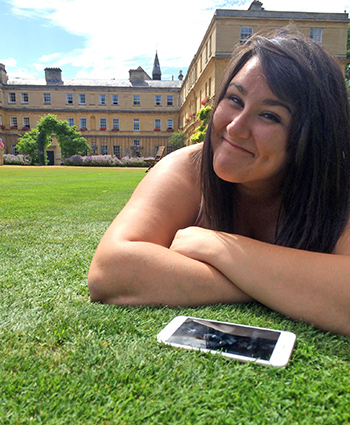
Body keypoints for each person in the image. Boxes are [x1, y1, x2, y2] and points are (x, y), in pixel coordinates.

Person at [88, 29, 350, 335]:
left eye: (269, 116)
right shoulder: (187, 169)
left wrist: (218, 248)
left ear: (311, 138)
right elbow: (111, 270)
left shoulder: (339, 187)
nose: (235, 127)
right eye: (235, 99)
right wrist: (278, 285)